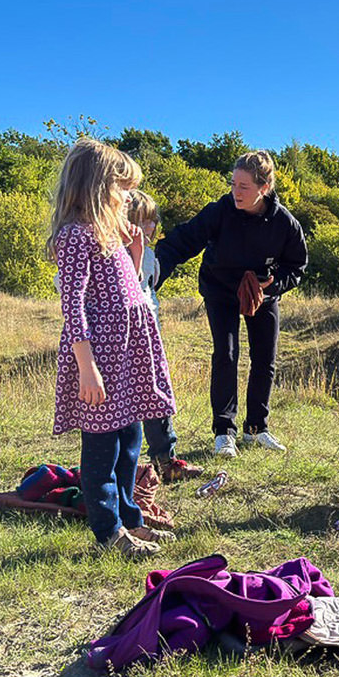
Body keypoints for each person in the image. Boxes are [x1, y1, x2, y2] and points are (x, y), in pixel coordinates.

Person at [48, 139, 178, 557]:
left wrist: (136, 253)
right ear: (97, 187)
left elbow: (129, 290)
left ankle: (131, 519)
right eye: (122, 188)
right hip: (101, 358)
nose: (128, 197)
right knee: (103, 450)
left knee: (130, 442)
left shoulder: (110, 235)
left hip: (126, 357)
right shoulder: (75, 236)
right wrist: (87, 368)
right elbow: (73, 306)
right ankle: (109, 533)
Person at [154, 150, 307, 458]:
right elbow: (181, 242)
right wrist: (151, 274)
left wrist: (272, 283)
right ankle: (224, 432)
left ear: (264, 187)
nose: (236, 192)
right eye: (233, 184)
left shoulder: (285, 224)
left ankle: (256, 429)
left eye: (244, 186)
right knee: (226, 354)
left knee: (265, 359)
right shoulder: (219, 211)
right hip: (220, 289)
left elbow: (297, 267)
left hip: (262, 294)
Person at [126, 190, 202, 484]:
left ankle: (165, 462)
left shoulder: (150, 257)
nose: (151, 226)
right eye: (144, 220)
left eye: (153, 220)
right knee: (125, 404)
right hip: (120, 340)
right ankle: (125, 467)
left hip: (149, 337)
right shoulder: (110, 255)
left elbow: (149, 293)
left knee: (156, 397)